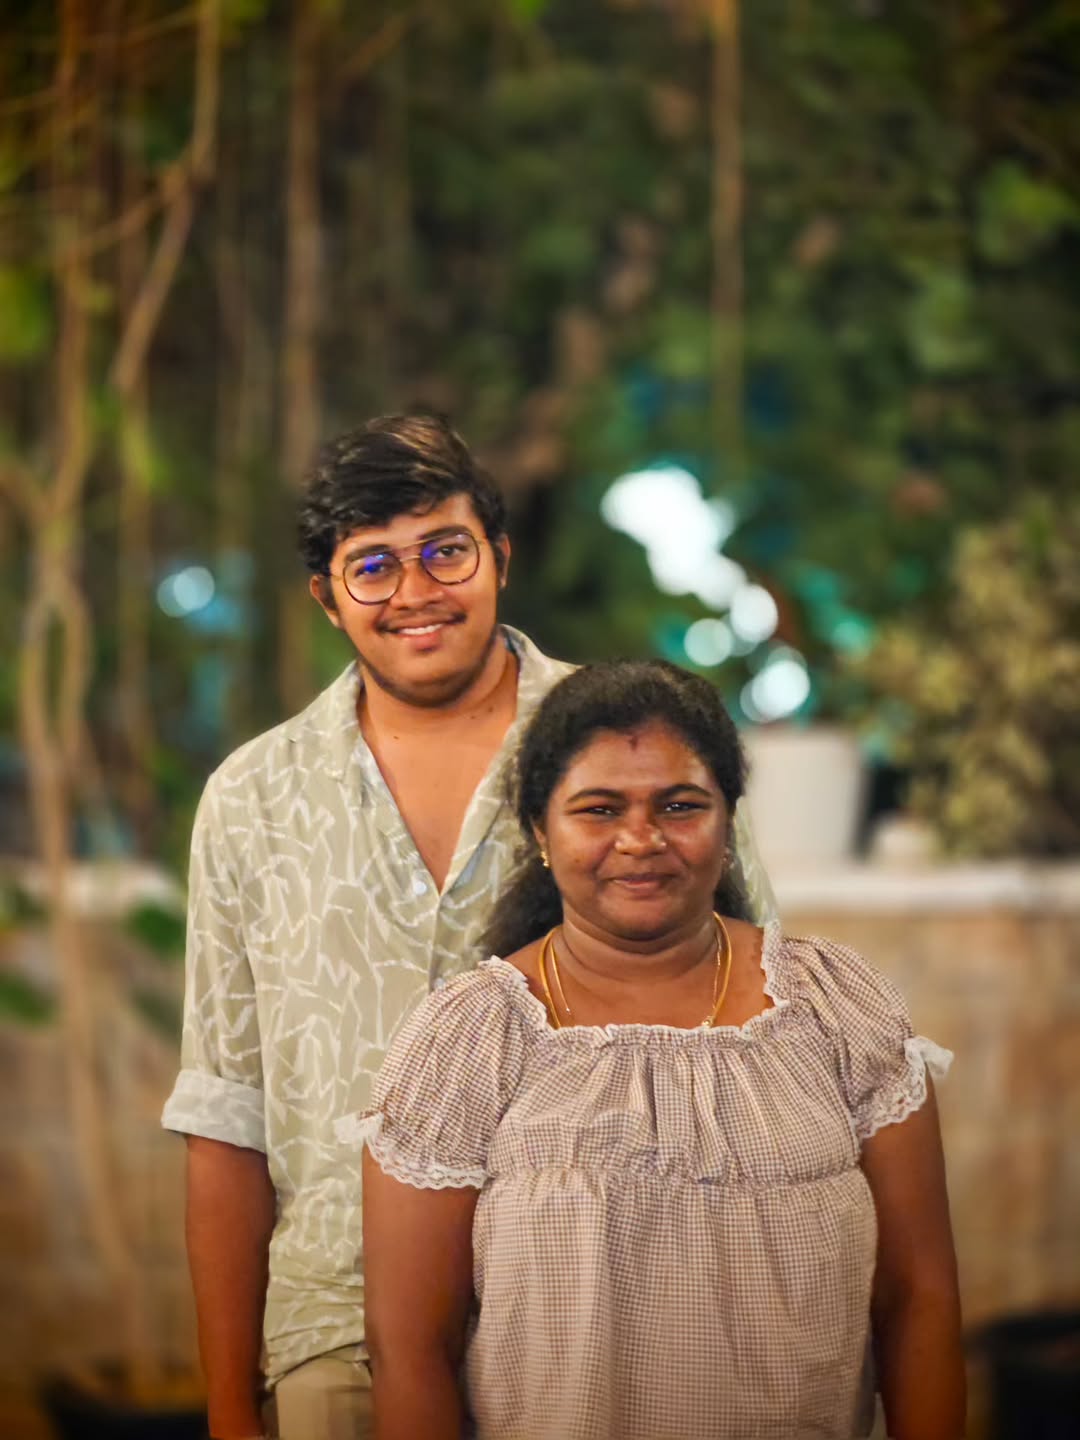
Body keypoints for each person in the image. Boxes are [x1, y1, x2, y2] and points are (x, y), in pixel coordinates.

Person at [161, 415, 777, 1440]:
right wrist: (230, 1410)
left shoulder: (640, 748)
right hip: (339, 1332)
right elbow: (229, 1117)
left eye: (445, 550)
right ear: (325, 597)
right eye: (372, 566)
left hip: (612, 1316)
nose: (416, 591)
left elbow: (755, 1026)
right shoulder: (253, 800)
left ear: (499, 556)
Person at [361, 659, 966, 1440]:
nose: (641, 839)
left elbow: (918, 1298)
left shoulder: (835, 1006)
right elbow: (411, 1348)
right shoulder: (470, 1037)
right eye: (599, 809)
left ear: (727, 822)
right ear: (541, 831)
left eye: (680, 806)